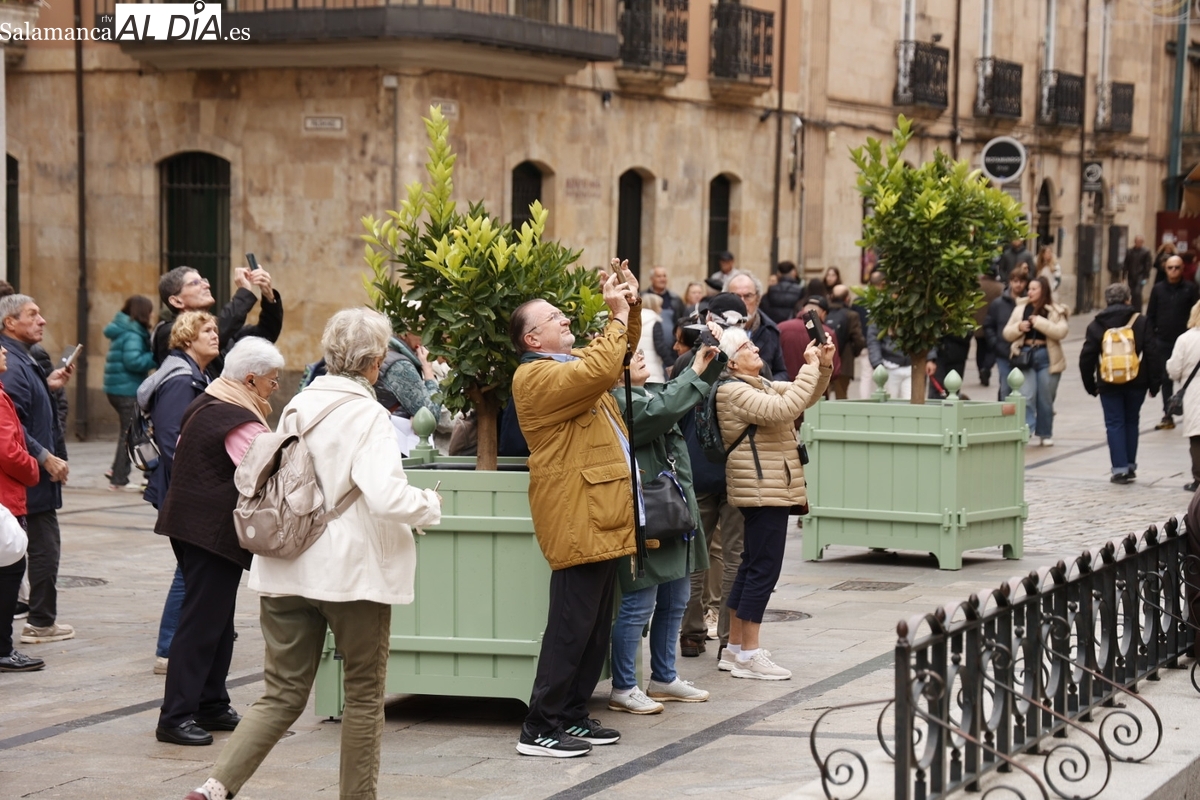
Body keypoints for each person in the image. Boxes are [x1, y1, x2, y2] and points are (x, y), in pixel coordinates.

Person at [182, 310, 442, 800]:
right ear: (376, 362)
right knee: (364, 694)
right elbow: (386, 497)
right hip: (350, 573)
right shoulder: (369, 415)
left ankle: (214, 787)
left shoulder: (299, 402)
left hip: (285, 561)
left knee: (280, 694)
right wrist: (429, 505)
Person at [509, 261, 641, 758]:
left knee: (592, 625)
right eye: (553, 318)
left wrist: (628, 308)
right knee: (570, 625)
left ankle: (571, 714)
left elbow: (617, 355)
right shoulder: (536, 378)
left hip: (598, 508)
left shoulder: (564, 367)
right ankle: (539, 726)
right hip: (576, 512)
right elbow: (605, 367)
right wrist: (614, 316)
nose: (565, 319)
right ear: (532, 340)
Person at [155, 337, 284, 747]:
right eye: (271, 381)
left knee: (217, 619)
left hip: (195, 526)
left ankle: (211, 703)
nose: (274, 388)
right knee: (201, 622)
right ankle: (175, 716)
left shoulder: (212, 400)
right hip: (208, 531)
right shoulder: (236, 416)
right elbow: (264, 472)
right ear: (249, 379)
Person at [712, 326, 833, 679]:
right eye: (747, 346)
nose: (756, 348)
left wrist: (822, 367)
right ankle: (750, 654)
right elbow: (785, 408)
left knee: (752, 566)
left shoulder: (757, 384)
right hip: (763, 487)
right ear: (731, 362)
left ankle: (734, 649)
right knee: (763, 569)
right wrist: (808, 367)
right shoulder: (733, 391)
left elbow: (804, 397)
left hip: (767, 484)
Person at [607, 345, 721, 715]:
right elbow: (667, 407)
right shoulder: (619, 401)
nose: (639, 355)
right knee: (639, 602)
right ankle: (624, 686)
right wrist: (696, 372)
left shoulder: (649, 392)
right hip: (647, 512)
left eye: (639, 351)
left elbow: (681, 394)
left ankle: (664, 678)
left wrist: (712, 358)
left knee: (676, 599)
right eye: (628, 354)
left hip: (673, 510)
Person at [139, 311, 219, 675]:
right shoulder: (180, 379)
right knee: (189, 570)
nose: (215, 335)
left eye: (216, 329)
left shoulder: (195, 374)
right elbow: (174, 442)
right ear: (188, 338)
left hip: (184, 487)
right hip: (182, 490)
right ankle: (169, 648)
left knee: (190, 569)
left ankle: (181, 643)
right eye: (207, 330)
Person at [676, 294, 748, 661]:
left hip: (695, 468)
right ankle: (728, 638)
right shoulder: (744, 364)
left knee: (694, 555)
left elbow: (673, 414)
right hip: (735, 471)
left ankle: (690, 635)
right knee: (734, 555)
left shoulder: (688, 361)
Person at [0, 294, 74, 645]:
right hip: (26, 479)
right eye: (32, 314)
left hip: (31, 476)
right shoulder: (10, 363)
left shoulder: (19, 358)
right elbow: (10, 425)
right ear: (9, 323)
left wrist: (49, 384)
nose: (42, 320)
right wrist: (43, 458)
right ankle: (40, 621)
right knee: (40, 548)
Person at [1079, 283, 1161, 484]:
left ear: (1107, 300)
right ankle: (1131, 465)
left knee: (1114, 423)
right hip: (1136, 380)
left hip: (1108, 382)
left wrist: (1091, 385)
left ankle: (1119, 469)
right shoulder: (1140, 321)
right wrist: (1154, 383)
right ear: (1128, 299)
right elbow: (1152, 353)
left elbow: (1086, 357)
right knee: (1132, 422)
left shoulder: (1096, 324)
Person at [0, 341, 46, 672]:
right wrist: (33, 468)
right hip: (5, 497)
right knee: (10, 569)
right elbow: (7, 450)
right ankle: (3, 648)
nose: (4, 352)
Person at [153, 265, 283, 373]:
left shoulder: (223, 332)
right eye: (195, 283)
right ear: (176, 301)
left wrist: (269, 296)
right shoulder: (168, 333)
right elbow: (217, 332)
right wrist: (243, 293)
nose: (206, 285)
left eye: (204, 280)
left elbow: (265, 335)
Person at [1004, 276, 1070, 446]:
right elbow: (1007, 333)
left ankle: (1045, 433)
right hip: (1025, 355)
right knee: (1026, 395)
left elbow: (1061, 332)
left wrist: (1039, 322)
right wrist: (1018, 328)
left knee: (1045, 398)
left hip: (1047, 356)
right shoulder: (1021, 308)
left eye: (1034, 289)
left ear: (1043, 290)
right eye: (1030, 289)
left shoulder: (1054, 310)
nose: (1030, 292)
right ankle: (1027, 429)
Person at [103, 295, 157, 491]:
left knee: (130, 431)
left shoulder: (123, 327)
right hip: (127, 389)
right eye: (150, 310)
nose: (152, 315)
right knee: (132, 433)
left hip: (117, 388)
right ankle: (120, 477)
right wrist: (155, 357)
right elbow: (133, 361)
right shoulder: (133, 333)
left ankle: (117, 472)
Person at [1146, 255, 1199, 430]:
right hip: (1164, 340)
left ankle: (1189, 411)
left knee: (1188, 377)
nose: (1173, 271)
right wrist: (1152, 336)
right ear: (1165, 269)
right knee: (1166, 378)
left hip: (1185, 340)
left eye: (1176, 267)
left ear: (1182, 268)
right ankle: (1167, 414)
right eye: (1170, 267)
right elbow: (1151, 314)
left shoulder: (1191, 289)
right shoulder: (1158, 289)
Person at [726, 272, 788, 381]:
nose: (742, 302)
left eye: (748, 296)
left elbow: (781, 372)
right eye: (735, 297)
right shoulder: (716, 330)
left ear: (758, 299)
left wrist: (768, 387)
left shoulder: (770, 330)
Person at [1165, 301, 1200, 491]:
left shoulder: (1185, 339)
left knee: (1196, 436)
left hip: (1194, 392)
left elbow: (1174, 369)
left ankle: (1198, 479)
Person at [984, 266, 1030, 398]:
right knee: (1005, 388)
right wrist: (995, 344)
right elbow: (988, 325)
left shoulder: (1029, 303)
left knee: (1023, 391)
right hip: (1003, 352)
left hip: (1023, 353)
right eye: (1015, 281)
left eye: (1021, 281)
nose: (1018, 285)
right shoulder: (998, 304)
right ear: (1010, 282)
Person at [779, 295, 841, 382]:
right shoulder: (827, 334)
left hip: (783, 388)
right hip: (815, 389)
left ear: (803, 309)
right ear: (823, 313)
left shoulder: (780, 328)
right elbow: (834, 372)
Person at [636, 293, 670, 382]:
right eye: (659, 306)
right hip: (652, 371)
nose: (661, 309)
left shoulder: (633, 320)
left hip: (635, 368)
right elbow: (660, 346)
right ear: (653, 306)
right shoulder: (654, 322)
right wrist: (671, 363)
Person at [646, 266, 686, 338]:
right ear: (651, 279)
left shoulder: (675, 299)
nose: (662, 279)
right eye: (659, 276)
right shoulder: (643, 298)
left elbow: (681, 322)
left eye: (664, 276)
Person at [1123, 235, 1153, 313]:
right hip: (1131, 275)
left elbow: (1148, 264)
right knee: (1132, 292)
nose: (1138, 243)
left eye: (1140, 242)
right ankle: (1133, 308)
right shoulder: (1130, 251)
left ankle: (1138, 310)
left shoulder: (1146, 252)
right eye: (1137, 242)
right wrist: (1124, 275)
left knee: (1137, 292)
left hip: (1141, 275)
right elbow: (1126, 263)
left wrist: (1146, 276)